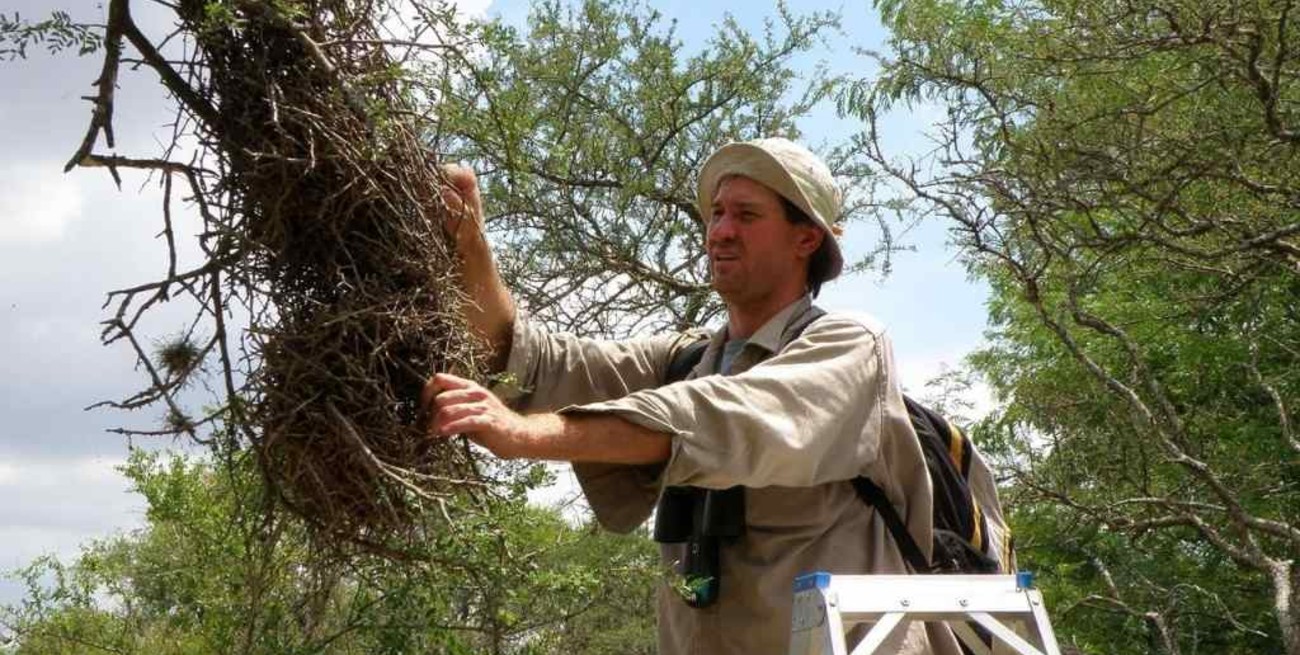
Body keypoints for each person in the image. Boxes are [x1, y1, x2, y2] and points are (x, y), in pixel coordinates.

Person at [423, 138, 953, 654]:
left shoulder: (851, 346)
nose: (720, 231)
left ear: (806, 239)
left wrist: (525, 434)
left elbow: (722, 418)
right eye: (717, 213)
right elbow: (530, 362)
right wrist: (470, 244)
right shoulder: (684, 362)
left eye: (746, 215)